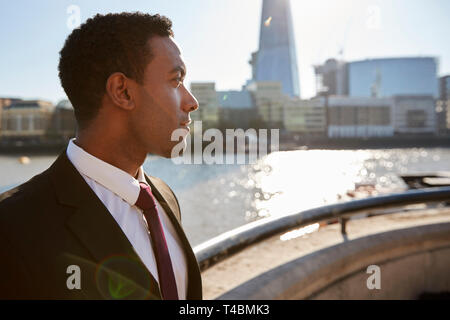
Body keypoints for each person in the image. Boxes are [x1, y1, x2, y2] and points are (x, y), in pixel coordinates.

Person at [0, 12, 201, 300]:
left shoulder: (165, 197)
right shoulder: (13, 226)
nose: (191, 102)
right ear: (123, 91)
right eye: (175, 80)